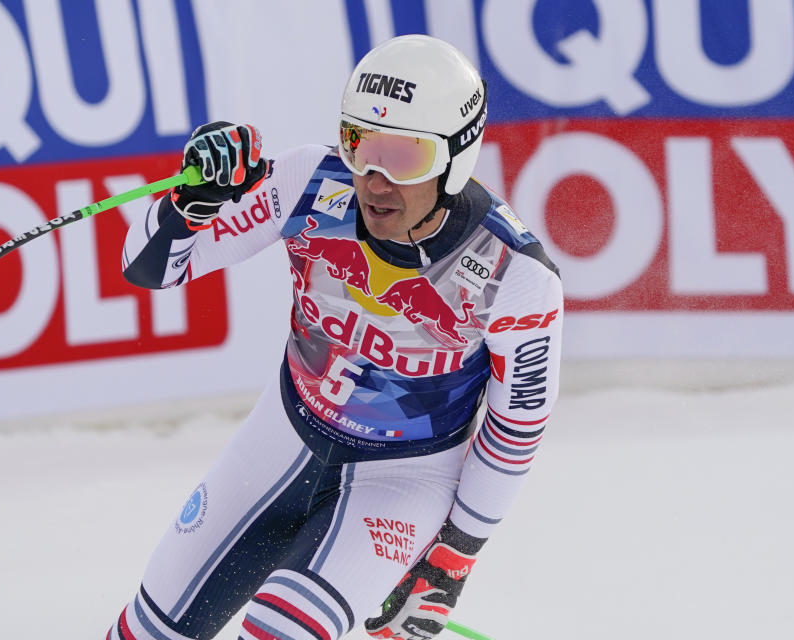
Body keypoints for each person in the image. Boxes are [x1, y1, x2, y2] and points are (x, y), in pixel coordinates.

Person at [110, 34, 562, 640]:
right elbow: (148, 268)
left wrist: (452, 558)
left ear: (457, 158)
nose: (374, 181)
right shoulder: (308, 182)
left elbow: (514, 430)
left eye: (403, 160)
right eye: (360, 144)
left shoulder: (515, 274)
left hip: (402, 481)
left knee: (277, 632)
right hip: (277, 442)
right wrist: (191, 202)